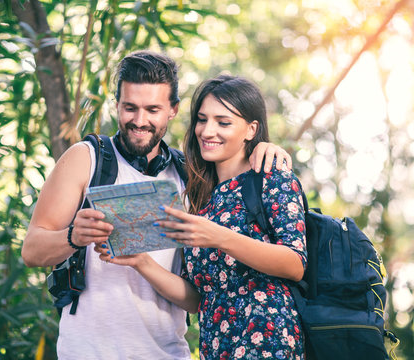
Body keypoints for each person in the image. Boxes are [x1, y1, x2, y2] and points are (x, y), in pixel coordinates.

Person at [22, 51, 293, 359]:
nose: (140, 121)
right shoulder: (86, 159)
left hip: (168, 353)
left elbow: (196, 299)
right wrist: (73, 236)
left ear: (173, 110)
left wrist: (264, 147)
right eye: (130, 108)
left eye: (152, 109)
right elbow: (32, 250)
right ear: (117, 106)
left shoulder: (191, 176)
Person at [96, 75, 307, 359]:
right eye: (202, 119)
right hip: (216, 349)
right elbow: (198, 299)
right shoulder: (200, 197)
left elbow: (295, 264)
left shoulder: (271, 177)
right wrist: (141, 262)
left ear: (250, 129)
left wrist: (220, 237)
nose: (207, 131)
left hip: (268, 345)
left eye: (223, 122)